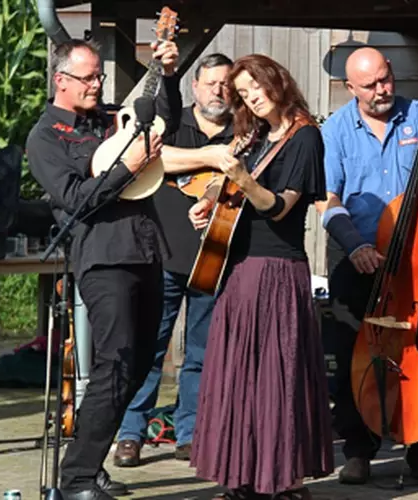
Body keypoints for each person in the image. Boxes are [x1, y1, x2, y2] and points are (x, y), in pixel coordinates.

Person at [25, 38, 181, 500]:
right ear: (61, 81)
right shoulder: (46, 137)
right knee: (114, 363)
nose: (98, 84)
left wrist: (168, 77)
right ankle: (75, 481)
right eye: (89, 77)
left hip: (147, 250)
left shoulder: (112, 119)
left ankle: (88, 467)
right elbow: (75, 202)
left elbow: (161, 123)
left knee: (136, 368)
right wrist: (126, 168)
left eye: (99, 77)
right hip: (103, 257)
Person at [315, 46, 418, 486]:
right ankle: (359, 450)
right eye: (370, 85)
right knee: (352, 355)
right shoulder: (336, 129)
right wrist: (356, 244)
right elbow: (328, 199)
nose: (382, 90)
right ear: (350, 88)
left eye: (386, 78)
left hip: (417, 254)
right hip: (356, 252)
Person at [187, 54, 334, 499]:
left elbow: (279, 206)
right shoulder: (254, 137)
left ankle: (281, 480)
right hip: (239, 267)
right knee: (237, 378)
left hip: (276, 271)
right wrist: (210, 200)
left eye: (256, 86)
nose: (251, 95)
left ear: (277, 81)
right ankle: (243, 478)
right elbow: (224, 185)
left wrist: (242, 179)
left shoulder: (304, 137)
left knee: (275, 378)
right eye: (243, 91)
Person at [112, 53, 235, 467]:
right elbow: (152, 155)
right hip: (163, 254)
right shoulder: (173, 122)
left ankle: (190, 433)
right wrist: (212, 157)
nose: (219, 90)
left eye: (226, 83)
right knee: (149, 348)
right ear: (195, 87)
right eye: (211, 82)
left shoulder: (244, 132)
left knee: (200, 354)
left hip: (214, 257)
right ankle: (131, 434)